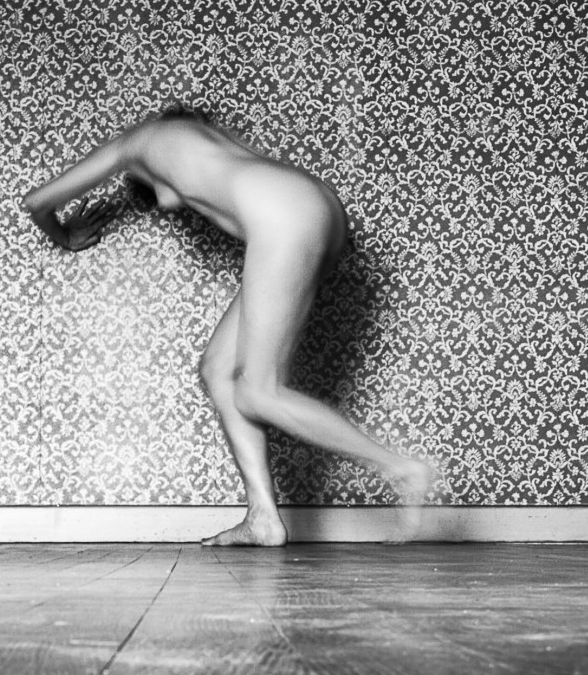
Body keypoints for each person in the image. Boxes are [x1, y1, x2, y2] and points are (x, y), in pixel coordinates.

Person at [22, 108, 436, 545]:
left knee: (259, 392)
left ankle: (401, 468)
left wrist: (66, 235)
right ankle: (263, 519)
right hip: (317, 209)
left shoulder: (134, 142)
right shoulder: (208, 141)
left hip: (286, 216)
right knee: (218, 371)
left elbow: (37, 201)